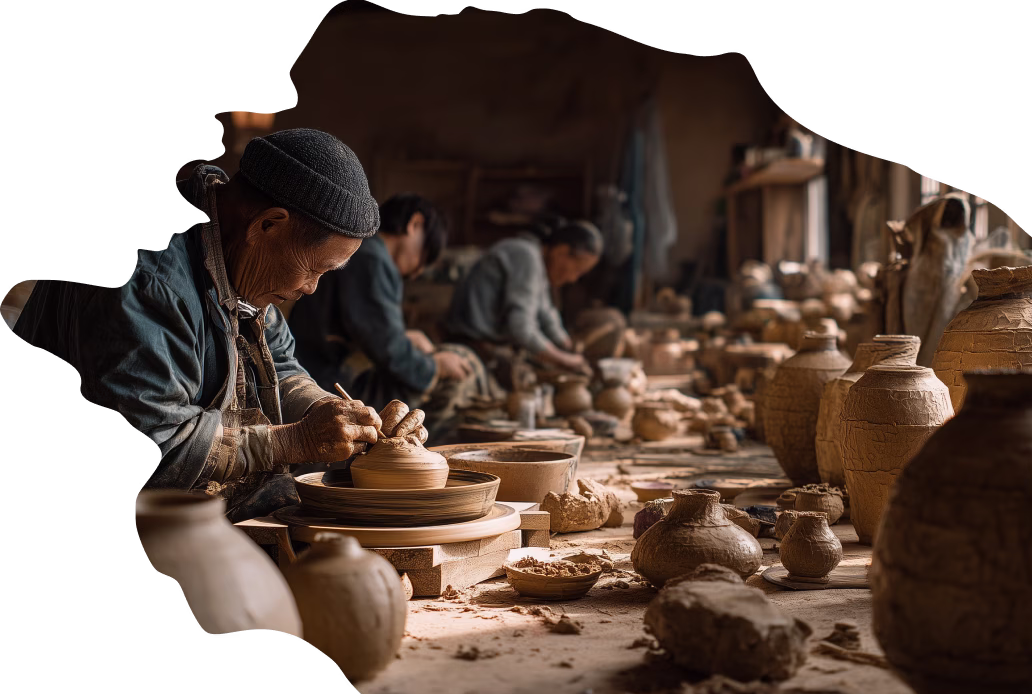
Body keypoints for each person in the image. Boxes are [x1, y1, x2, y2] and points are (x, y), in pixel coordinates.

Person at [14, 128, 427, 522]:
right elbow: (152, 446)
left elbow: (281, 367)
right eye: (315, 269)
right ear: (267, 225)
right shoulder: (145, 280)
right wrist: (295, 441)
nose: (313, 288)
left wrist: (337, 415)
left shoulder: (237, 253)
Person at [288, 194, 492, 446]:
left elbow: (367, 329)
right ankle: (421, 454)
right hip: (327, 379)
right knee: (458, 367)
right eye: (424, 257)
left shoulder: (370, 253)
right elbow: (389, 350)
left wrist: (406, 337)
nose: (417, 273)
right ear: (414, 224)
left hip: (327, 366)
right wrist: (436, 366)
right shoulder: (372, 257)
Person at [443, 217, 604, 388]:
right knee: (528, 384)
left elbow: (546, 312)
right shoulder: (526, 256)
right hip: (470, 343)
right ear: (561, 251)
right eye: (577, 270)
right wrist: (564, 359)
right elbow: (521, 329)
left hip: (490, 343)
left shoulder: (537, 261)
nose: (573, 278)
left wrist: (566, 344)